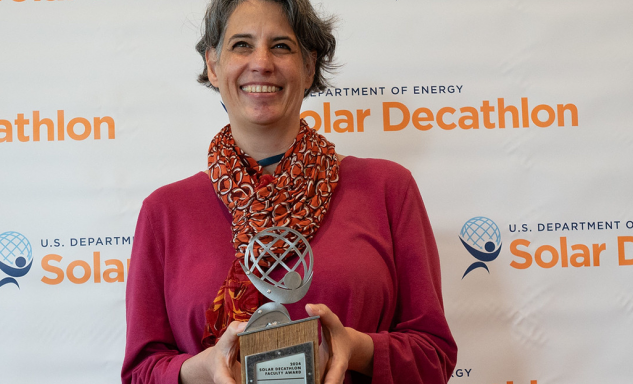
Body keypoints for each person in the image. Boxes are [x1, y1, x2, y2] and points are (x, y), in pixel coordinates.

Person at [121, 0, 457, 383]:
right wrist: (203, 368)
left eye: (281, 46)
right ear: (213, 65)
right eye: (242, 45)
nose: (261, 62)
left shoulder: (387, 189)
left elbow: (434, 356)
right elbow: (140, 373)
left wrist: (355, 348)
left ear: (310, 66)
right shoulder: (165, 211)